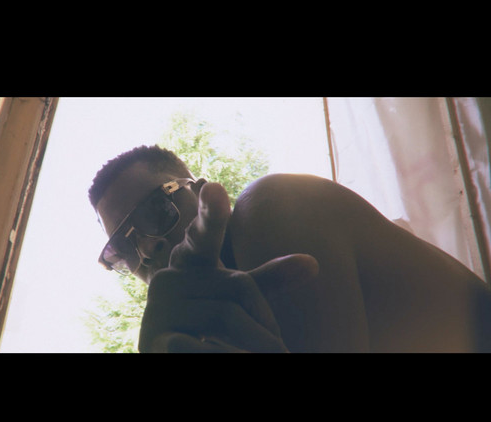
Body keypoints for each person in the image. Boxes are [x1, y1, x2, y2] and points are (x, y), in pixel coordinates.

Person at [89, 145, 491, 353]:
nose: (146, 249)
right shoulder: (219, 330)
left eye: (156, 210)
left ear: (200, 190)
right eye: (122, 247)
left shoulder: (274, 205)